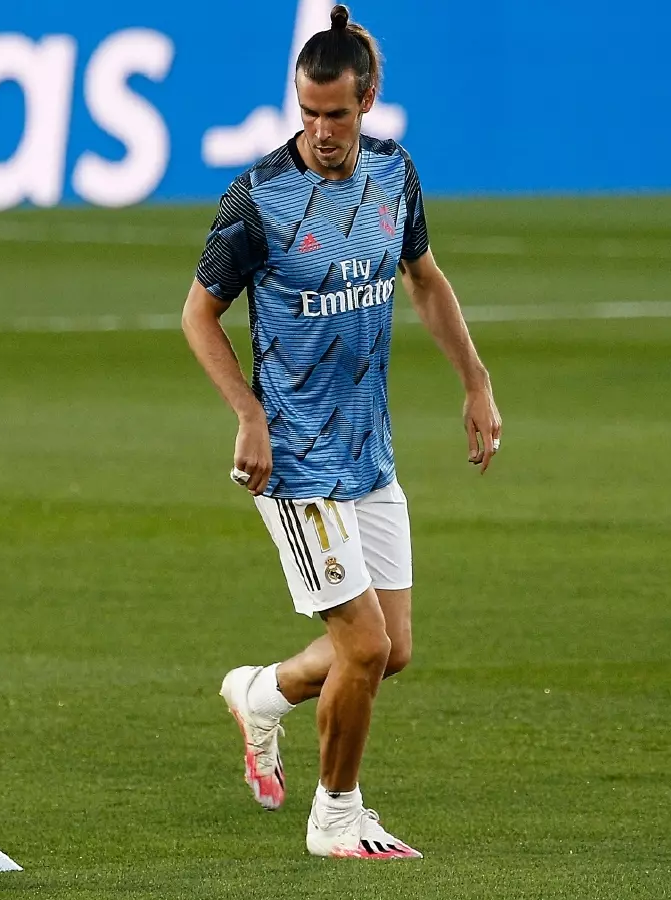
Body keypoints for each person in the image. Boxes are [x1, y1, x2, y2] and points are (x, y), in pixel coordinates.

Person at [180, 4, 503, 860]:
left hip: (370, 454)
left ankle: (262, 694)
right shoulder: (259, 199)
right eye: (309, 113)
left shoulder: (394, 177)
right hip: (295, 461)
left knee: (389, 652)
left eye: (338, 115)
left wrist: (475, 381)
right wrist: (249, 415)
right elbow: (197, 314)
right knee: (360, 646)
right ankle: (337, 818)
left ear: (369, 102)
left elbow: (424, 280)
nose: (322, 132)